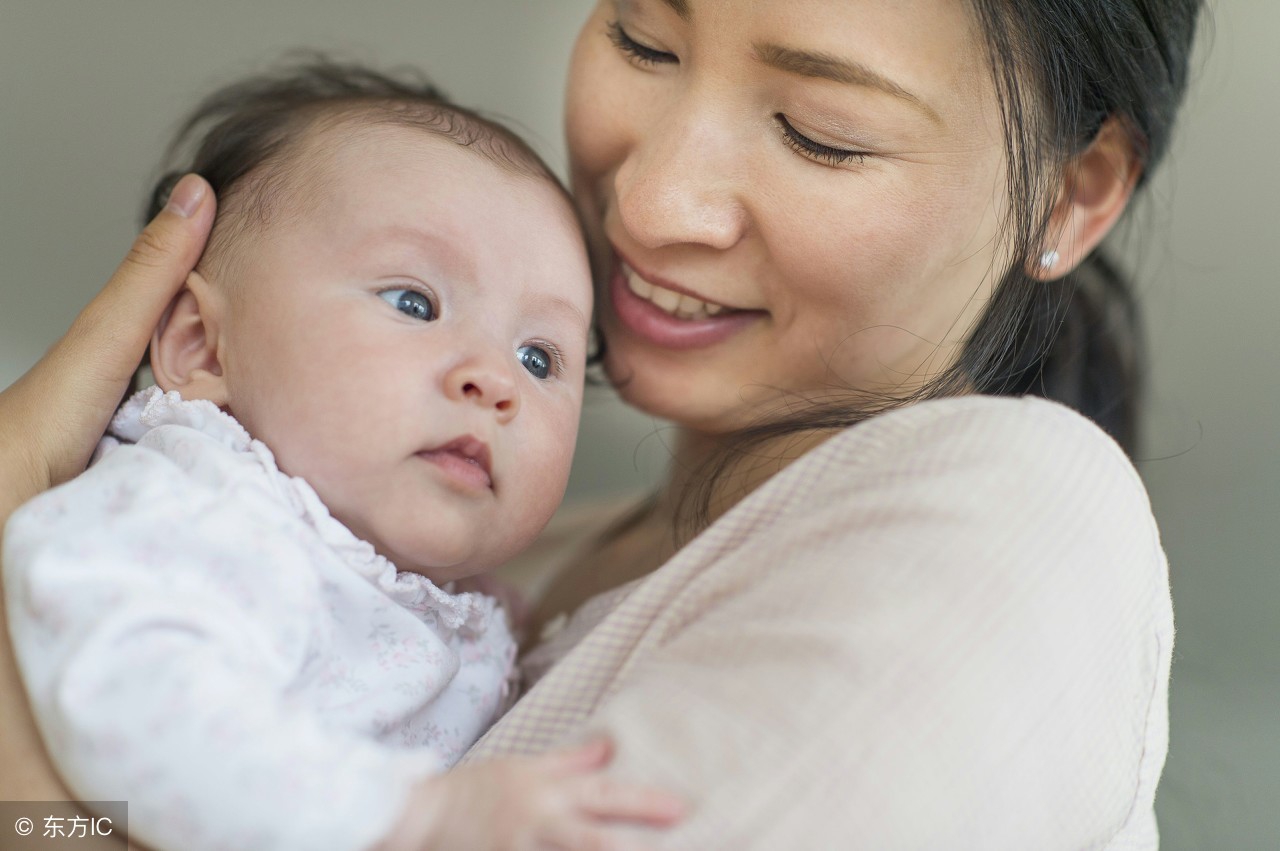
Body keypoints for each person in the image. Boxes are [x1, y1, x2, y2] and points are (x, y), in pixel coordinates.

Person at [1, 0, 1203, 847]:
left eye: (817, 132)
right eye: (641, 34)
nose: (650, 198)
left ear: (1072, 191)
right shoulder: (463, 565)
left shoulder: (1008, 511)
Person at [2, 63, 683, 851]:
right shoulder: (198, 510)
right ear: (201, 346)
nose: (496, 379)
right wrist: (412, 817)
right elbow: (138, 699)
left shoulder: (467, 608)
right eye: (413, 302)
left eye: (540, 357)